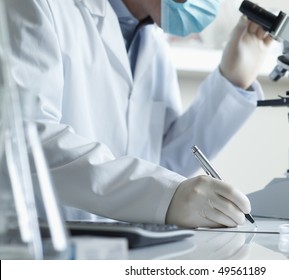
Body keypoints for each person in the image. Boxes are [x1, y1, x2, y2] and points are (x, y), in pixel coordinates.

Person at [5, 0, 272, 228]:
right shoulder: (39, 6)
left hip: (125, 250)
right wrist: (165, 195)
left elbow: (158, 164)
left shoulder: (152, 41)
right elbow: (27, 140)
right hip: (43, 246)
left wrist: (233, 80)